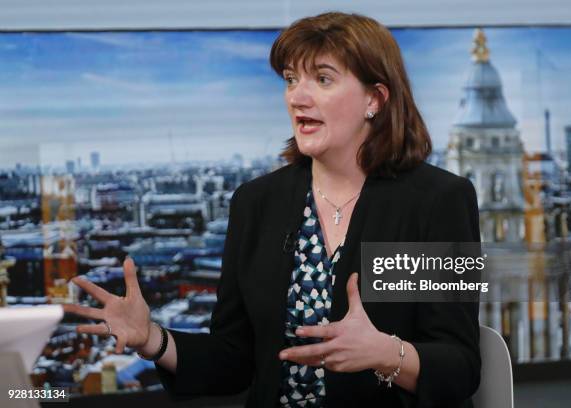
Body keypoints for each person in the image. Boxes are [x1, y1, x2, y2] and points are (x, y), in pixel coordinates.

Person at [63, 12, 481, 408]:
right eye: (290, 79)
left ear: (375, 98)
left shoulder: (434, 201)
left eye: (322, 78)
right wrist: (153, 340)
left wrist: (386, 354)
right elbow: (236, 359)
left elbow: (458, 368)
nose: (298, 97)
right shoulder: (258, 203)